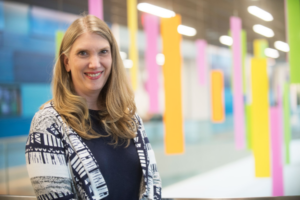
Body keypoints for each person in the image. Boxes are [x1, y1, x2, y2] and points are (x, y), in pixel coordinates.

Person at [25, 15, 161, 200]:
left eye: (103, 52)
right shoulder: (48, 123)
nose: (95, 63)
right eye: (83, 53)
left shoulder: (129, 117)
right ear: (66, 62)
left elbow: (152, 186)